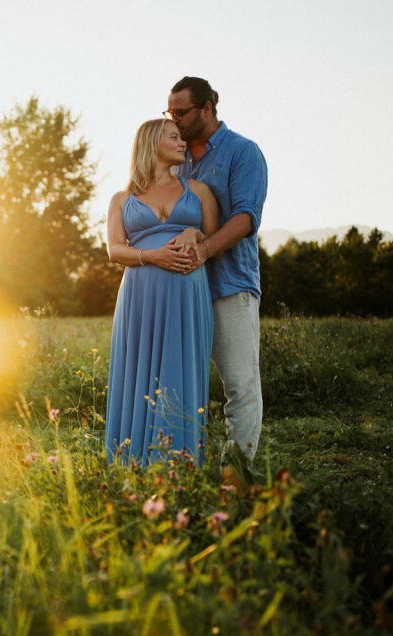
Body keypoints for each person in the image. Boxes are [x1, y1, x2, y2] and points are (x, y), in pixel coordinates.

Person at [164, 76, 269, 462]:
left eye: (180, 112)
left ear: (207, 108)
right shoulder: (173, 157)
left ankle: (235, 473)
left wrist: (204, 250)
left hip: (229, 285)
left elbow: (246, 218)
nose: (173, 120)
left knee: (240, 385)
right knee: (177, 384)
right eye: (169, 112)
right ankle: (181, 468)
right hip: (180, 287)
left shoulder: (242, 152)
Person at [104, 119, 219, 467]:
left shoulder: (198, 191)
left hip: (187, 294)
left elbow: (214, 237)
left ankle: (179, 461)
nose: (182, 142)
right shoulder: (121, 199)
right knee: (137, 372)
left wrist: (193, 233)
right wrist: (152, 256)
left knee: (181, 367)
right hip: (140, 295)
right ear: (152, 142)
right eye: (174, 136)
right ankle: (132, 460)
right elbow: (114, 250)